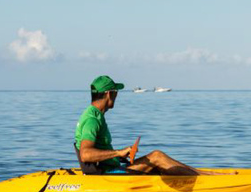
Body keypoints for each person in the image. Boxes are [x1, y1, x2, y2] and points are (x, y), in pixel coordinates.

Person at [74, 75, 220, 175]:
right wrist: (118, 152)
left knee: (157, 162)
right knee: (156, 156)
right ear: (108, 94)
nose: (117, 95)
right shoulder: (92, 119)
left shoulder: (94, 115)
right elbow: (86, 154)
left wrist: (119, 157)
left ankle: (203, 174)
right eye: (116, 92)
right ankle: (206, 177)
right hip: (109, 174)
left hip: (113, 166)